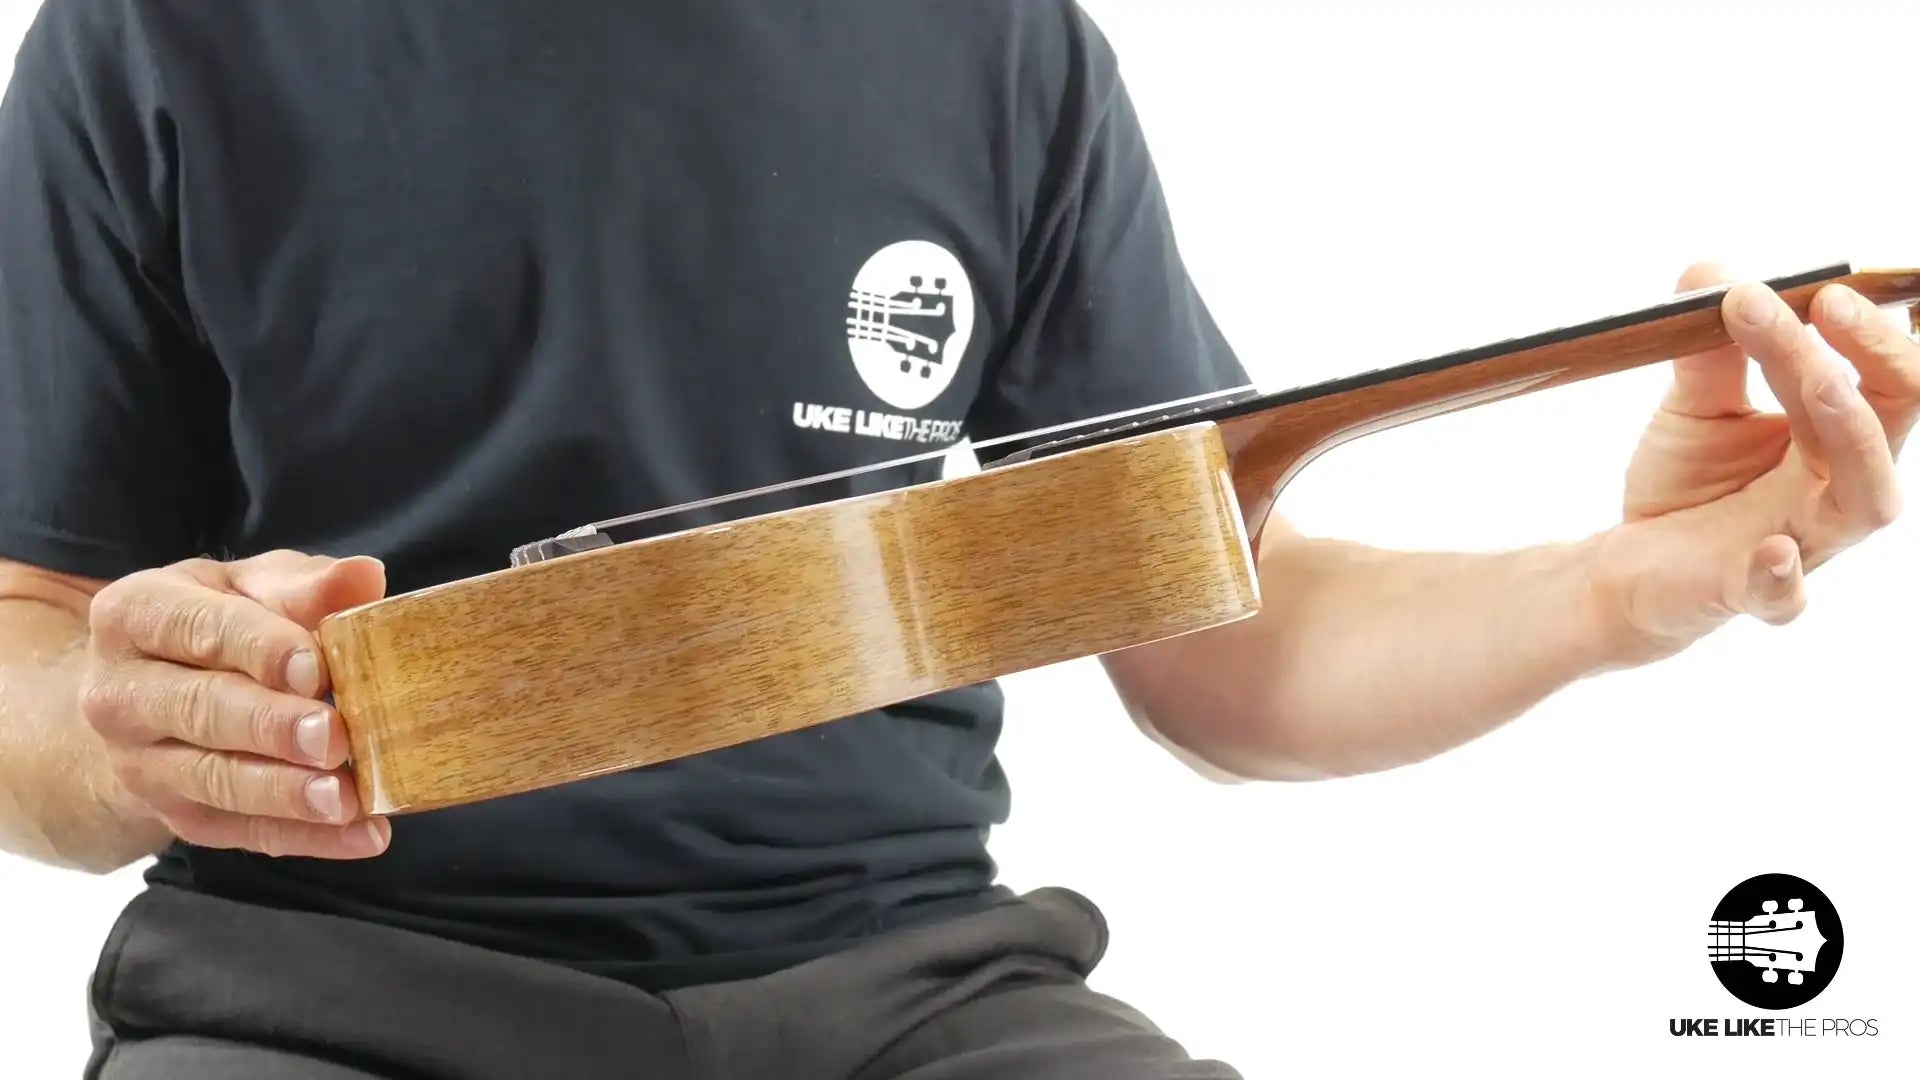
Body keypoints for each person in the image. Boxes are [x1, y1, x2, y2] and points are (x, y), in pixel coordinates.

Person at [0, 2, 1912, 1078]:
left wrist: (1620, 587)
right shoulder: (154, 36)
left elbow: (1226, 640)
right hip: (332, 1002)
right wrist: (129, 727)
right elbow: (26, 637)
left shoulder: (992, 43)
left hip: (911, 998)